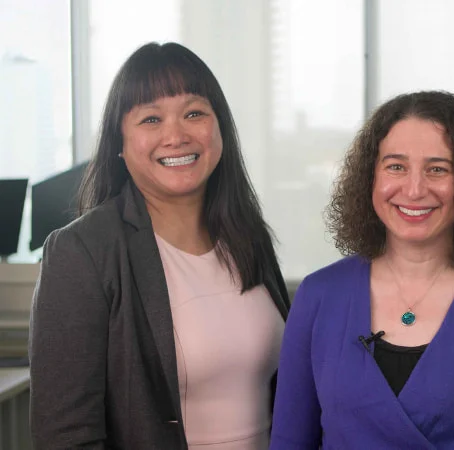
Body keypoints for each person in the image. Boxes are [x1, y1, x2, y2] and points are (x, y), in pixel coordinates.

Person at [28, 42, 290, 449]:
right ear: (119, 142)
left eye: (194, 113)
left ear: (220, 127)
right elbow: (66, 437)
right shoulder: (82, 251)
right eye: (151, 118)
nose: (176, 135)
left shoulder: (247, 235)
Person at [270, 91, 454, 449]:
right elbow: (288, 442)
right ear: (370, 178)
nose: (414, 189)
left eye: (437, 169)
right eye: (396, 166)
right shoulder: (318, 297)